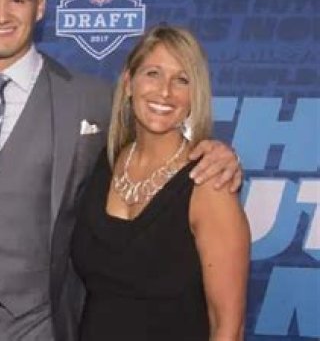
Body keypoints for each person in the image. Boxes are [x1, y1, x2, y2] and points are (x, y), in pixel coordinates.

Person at [0, 0, 241, 341]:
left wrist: (219, 153)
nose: (1, 15)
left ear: (40, 7)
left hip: (44, 325)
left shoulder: (93, 100)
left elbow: (160, 138)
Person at [70, 25, 250, 340]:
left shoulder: (208, 184)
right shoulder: (102, 162)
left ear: (194, 96)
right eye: (153, 74)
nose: (165, 92)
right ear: (129, 82)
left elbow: (228, 327)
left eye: (182, 80)